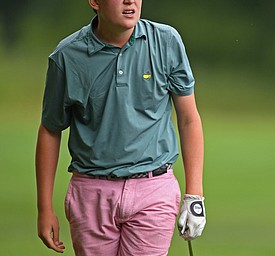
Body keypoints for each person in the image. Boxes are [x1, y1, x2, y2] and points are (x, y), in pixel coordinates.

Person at [36, 0, 206, 255]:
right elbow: (50, 129)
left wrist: (195, 196)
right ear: (95, 2)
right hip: (91, 193)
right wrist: (44, 208)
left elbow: (188, 119)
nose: (130, 1)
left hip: (154, 187)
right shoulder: (67, 56)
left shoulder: (166, 41)